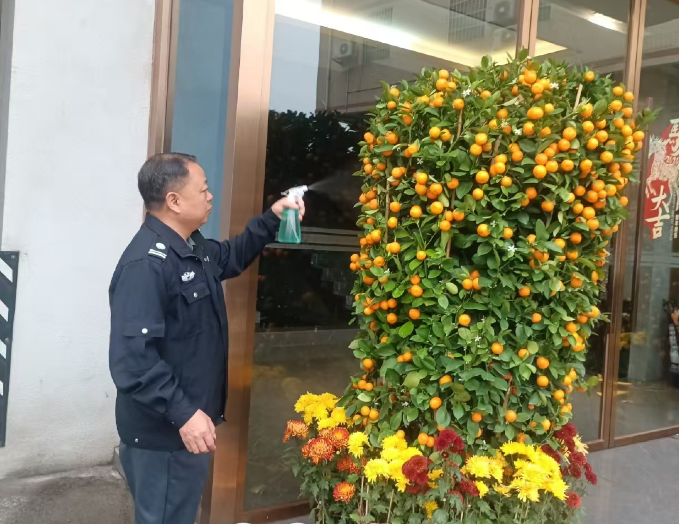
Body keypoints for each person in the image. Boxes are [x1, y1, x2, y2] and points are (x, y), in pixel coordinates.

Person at [108, 153, 304, 524]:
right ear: (174, 201)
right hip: (166, 434)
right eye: (203, 189)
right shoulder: (146, 265)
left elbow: (230, 256)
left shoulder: (191, 247)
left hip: (186, 427)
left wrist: (272, 218)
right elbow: (134, 360)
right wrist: (184, 413)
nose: (210, 196)